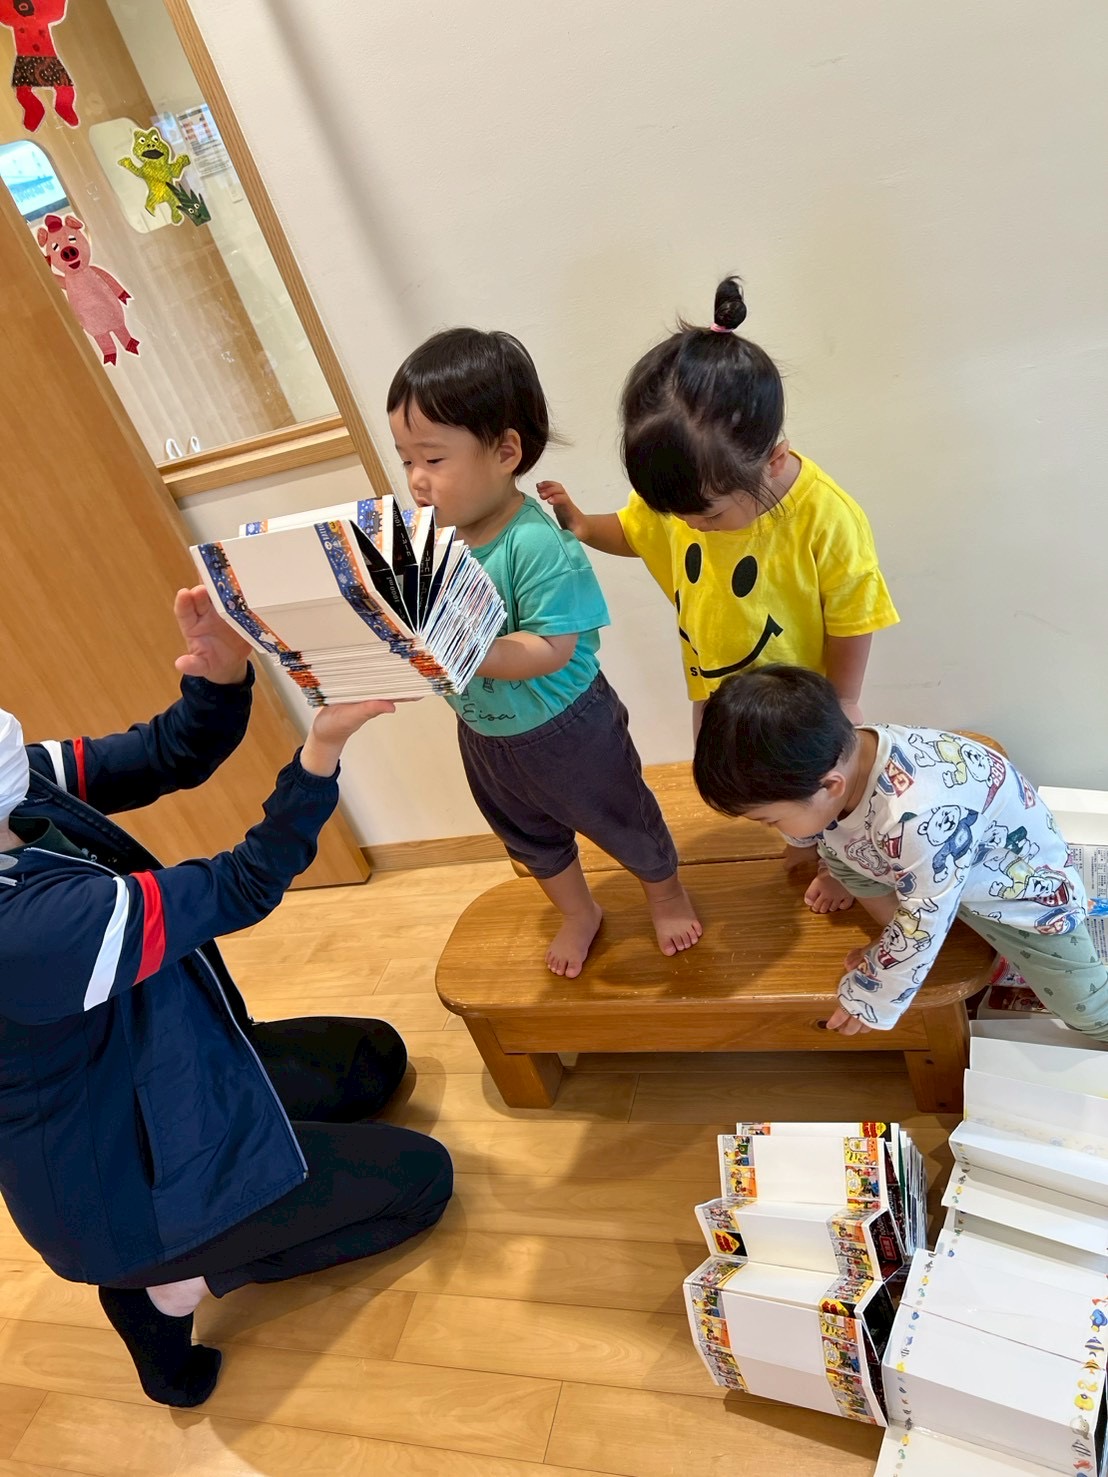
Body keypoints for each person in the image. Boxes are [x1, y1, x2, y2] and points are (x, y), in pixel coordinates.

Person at [0, 587, 453, 1408]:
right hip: (127, 1190)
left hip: (165, 1065)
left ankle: (191, 1252)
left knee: (375, 1059)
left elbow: (167, 751)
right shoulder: (28, 929)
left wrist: (220, 674)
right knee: (423, 1179)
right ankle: (167, 1288)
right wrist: (322, 750)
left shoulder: (18, 787)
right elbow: (241, 883)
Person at [540, 276, 899, 914]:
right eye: (676, 515)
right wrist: (583, 525)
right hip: (716, 685)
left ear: (773, 460)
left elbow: (854, 615)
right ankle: (799, 838)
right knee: (749, 785)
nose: (690, 527)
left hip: (796, 703)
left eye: (705, 516)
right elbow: (635, 531)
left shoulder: (825, 517)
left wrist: (844, 697)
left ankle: (840, 862)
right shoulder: (687, 497)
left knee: (816, 788)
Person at [387, 327, 701, 978]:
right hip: (485, 733)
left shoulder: (534, 544)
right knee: (529, 837)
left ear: (506, 451)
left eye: (434, 459)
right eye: (406, 460)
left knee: (621, 814)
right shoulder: (434, 544)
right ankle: (580, 911)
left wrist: (462, 648)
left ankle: (665, 893)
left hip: (568, 728)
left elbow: (553, 647)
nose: (416, 481)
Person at [692, 664, 1108, 1040]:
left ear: (831, 785)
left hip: (1020, 892)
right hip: (923, 865)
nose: (772, 830)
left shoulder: (915, 816)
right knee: (839, 849)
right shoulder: (844, 751)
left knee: (1084, 1007)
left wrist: (874, 989)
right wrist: (813, 853)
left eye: (770, 821)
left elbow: (923, 918)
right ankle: (890, 924)